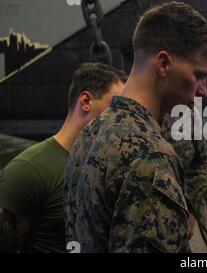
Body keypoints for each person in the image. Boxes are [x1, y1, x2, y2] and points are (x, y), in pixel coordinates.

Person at [64, 2, 207, 253]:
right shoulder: (150, 156)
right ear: (163, 64)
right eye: (199, 75)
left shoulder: (90, 133)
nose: (204, 90)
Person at [0, 63, 126, 252]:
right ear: (85, 101)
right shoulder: (29, 169)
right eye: (116, 108)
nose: (125, 119)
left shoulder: (111, 166)